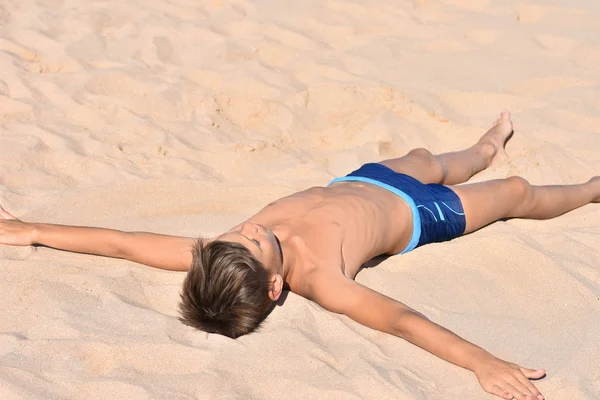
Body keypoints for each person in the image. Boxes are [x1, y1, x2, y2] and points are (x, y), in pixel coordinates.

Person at [1, 112, 598, 400]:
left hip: (367, 179)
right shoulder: (322, 280)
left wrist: (28, 230)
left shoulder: (222, 253)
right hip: (420, 216)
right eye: (256, 238)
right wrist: (481, 362)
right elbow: (401, 321)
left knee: (436, 157)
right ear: (277, 287)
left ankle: (483, 145)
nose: (251, 226)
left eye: (237, 231)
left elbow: (119, 243)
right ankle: (593, 187)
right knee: (515, 194)